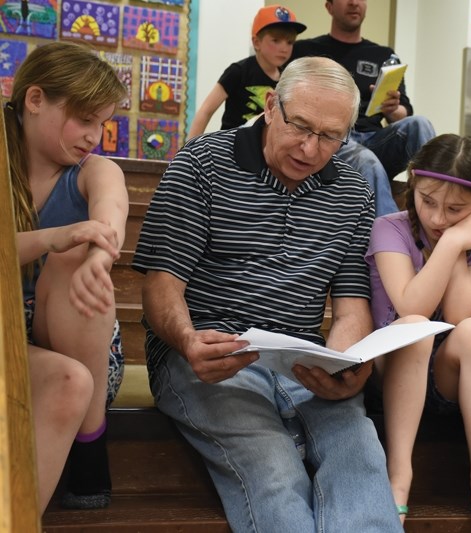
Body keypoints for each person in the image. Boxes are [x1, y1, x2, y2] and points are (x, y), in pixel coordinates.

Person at [132, 56, 402, 533]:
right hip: (212, 356)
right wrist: (190, 340)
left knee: (359, 450)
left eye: (331, 136)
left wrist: (345, 365)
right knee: (273, 467)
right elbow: (160, 284)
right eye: (300, 126)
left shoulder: (353, 194)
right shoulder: (200, 166)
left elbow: (351, 304)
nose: (311, 148)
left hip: (301, 356)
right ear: (272, 106)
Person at [366, 134, 471, 533]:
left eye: (455, 210)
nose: (437, 218)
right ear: (413, 184)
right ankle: (399, 476)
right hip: (389, 368)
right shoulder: (390, 229)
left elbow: (461, 313)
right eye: (427, 201)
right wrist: (451, 241)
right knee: (416, 327)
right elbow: (410, 306)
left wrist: (456, 250)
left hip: (445, 379)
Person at [5, 41, 128, 512]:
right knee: (69, 380)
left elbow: (110, 211)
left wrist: (99, 254)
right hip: (11, 339)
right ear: (34, 100)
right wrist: (49, 237)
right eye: (84, 119)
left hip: (85, 341)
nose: (94, 135)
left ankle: (89, 439)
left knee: (78, 254)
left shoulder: (92, 170)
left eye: (103, 122)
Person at [290, 0, 436, 217]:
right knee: (367, 160)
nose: (354, 3)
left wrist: (392, 108)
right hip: (333, 137)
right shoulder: (306, 50)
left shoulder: (384, 55)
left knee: (420, 124)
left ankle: (438, 206)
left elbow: (405, 110)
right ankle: (390, 241)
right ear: (329, 7)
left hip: (375, 137)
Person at [187, 5, 306, 138]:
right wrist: (187, 150)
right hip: (231, 146)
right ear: (256, 42)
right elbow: (206, 111)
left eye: (290, 42)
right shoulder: (238, 71)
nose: (284, 48)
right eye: (276, 40)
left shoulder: (287, 79)